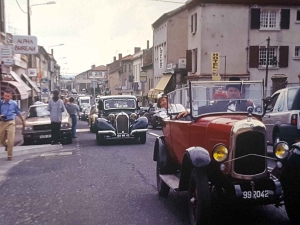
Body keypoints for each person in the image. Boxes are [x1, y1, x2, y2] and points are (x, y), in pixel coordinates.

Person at [177, 77, 254, 118]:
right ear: (227, 92)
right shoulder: (221, 104)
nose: (233, 93)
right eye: (231, 91)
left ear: (239, 92)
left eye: (235, 91)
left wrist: (251, 105)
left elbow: (255, 112)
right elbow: (206, 108)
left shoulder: (245, 104)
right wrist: (190, 111)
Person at [0, 89, 25, 160]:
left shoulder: (14, 104)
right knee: (1, 140)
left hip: (11, 122)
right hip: (2, 122)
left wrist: (23, 120)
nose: (6, 97)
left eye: (8, 96)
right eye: (5, 96)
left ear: (10, 96)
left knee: (11, 139)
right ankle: (7, 145)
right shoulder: (1, 103)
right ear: (3, 96)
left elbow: (18, 112)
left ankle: (9, 155)